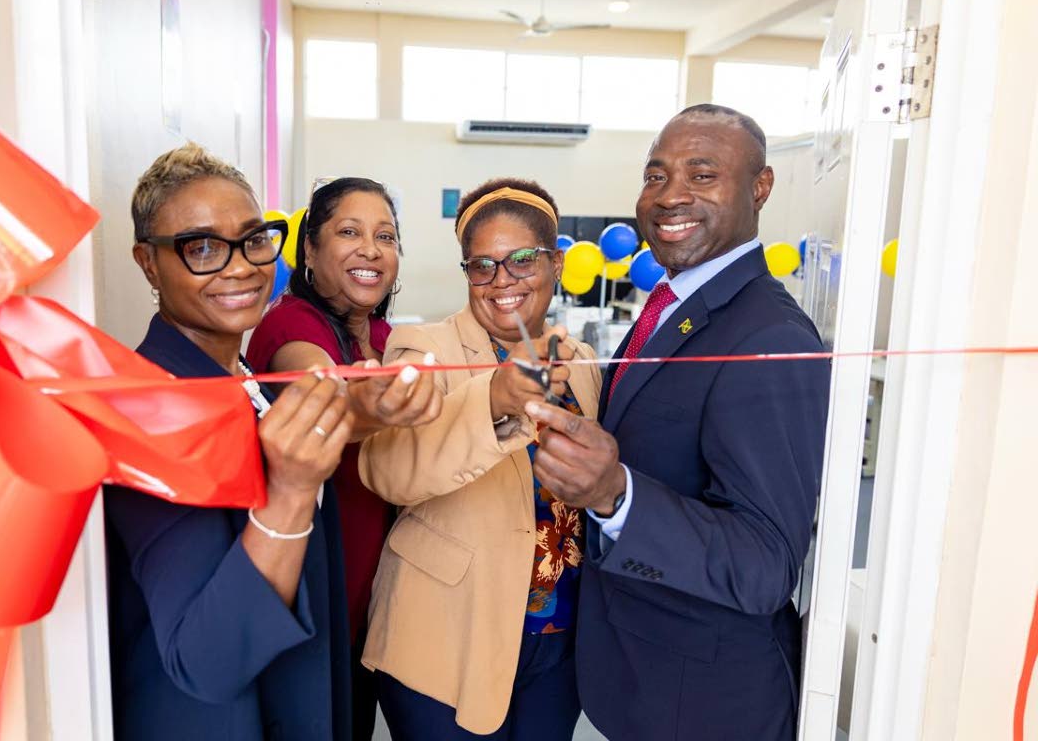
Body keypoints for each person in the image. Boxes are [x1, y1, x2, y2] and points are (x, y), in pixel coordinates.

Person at [526, 104, 831, 740]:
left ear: (761, 187)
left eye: (702, 174)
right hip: (643, 676)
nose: (672, 197)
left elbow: (766, 562)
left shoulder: (768, 335)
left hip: (707, 700)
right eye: (657, 176)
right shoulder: (674, 300)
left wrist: (614, 494)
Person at [103, 144, 424, 740]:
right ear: (148, 263)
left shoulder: (250, 381)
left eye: (253, 239)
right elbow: (206, 659)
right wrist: (293, 491)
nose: (240, 266)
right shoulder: (152, 412)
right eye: (201, 247)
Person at [358, 179, 602, 739]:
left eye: (522, 260)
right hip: (446, 640)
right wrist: (494, 395)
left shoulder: (582, 360)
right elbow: (386, 470)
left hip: (558, 640)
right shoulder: (423, 348)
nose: (502, 282)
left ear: (557, 264)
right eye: (482, 266)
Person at [246, 176, 442, 740]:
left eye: (386, 235)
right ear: (309, 249)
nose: (371, 249)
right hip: (316, 586)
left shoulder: (386, 335)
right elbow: (323, 395)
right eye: (349, 232)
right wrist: (376, 400)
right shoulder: (291, 326)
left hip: (374, 597)